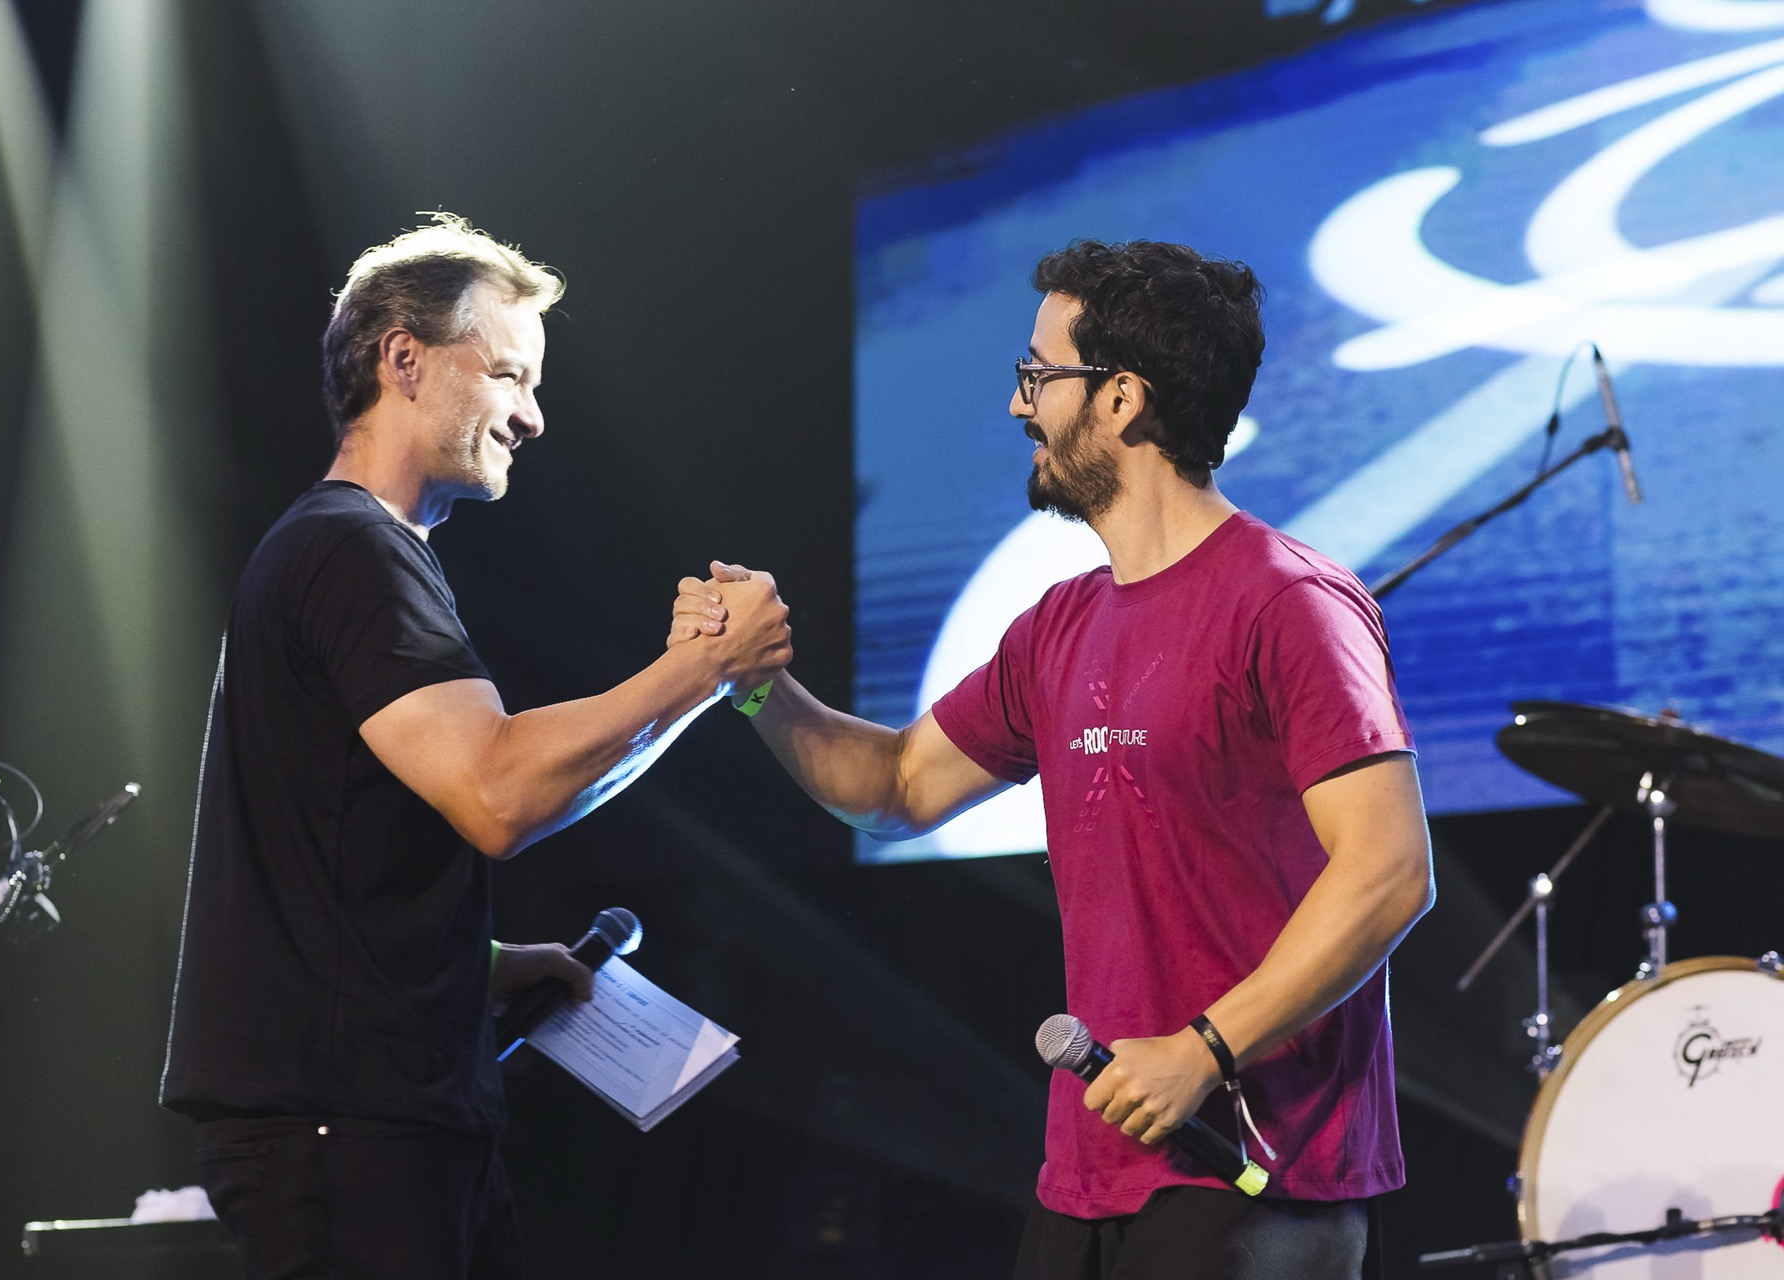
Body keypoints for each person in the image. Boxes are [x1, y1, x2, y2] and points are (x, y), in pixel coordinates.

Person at [673, 240, 1434, 1279]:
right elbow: (897, 785)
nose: (1018, 404)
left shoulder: (1289, 602)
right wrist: (753, 680)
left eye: (1038, 374)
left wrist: (1203, 1048)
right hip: (1088, 1176)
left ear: (1121, 398)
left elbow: (1389, 871)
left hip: (1258, 1170)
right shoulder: (1058, 626)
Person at [161, 213, 791, 1279]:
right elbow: (498, 794)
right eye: (509, 375)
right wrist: (700, 669)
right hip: (347, 1126)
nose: (533, 417)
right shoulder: (351, 549)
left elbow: (330, 855)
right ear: (403, 360)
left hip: (379, 1117)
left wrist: (484, 967)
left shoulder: (351, 551)